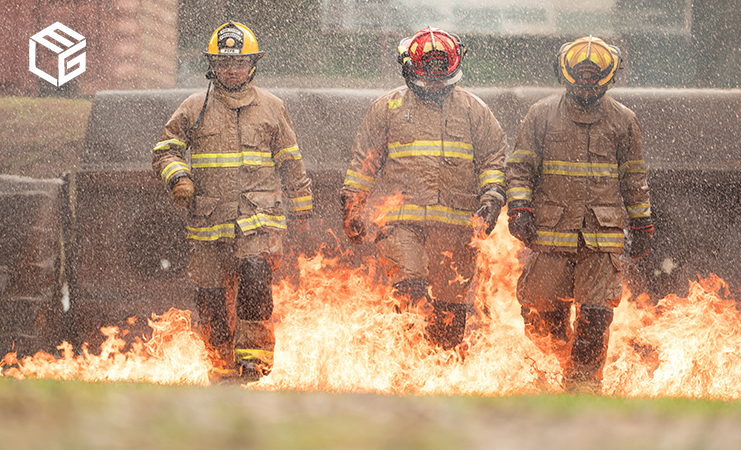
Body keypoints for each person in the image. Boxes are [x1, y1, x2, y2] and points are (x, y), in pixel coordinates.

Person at [152, 22, 313, 380]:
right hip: (208, 222)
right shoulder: (194, 108)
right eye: (224, 63)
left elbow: (291, 162)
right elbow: (165, 150)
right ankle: (221, 363)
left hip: (259, 219)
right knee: (210, 298)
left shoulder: (273, 108)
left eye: (239, 62)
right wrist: (178, 177)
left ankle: (253, 361)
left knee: (255, 280)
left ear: (253, 64)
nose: (232, 70)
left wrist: (301, 211)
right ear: (213, 65)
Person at [340, 26, 507, 351]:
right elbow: (365, 163)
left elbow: (493, 161)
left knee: (449, 315)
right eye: (427, 74)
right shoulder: (387, 109)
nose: (434, 82)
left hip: (457, 229)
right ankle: (409, 366)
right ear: (410, 68)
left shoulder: (474, 111)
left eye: (440, 75)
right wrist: (352, 206)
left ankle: (439, 375)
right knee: (410, 294)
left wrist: (491, 200)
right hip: (401, 226)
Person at [505, 36, 653, 392]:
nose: (586, 79)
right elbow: (520, 168)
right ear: (566, 72)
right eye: (580, 72)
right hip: (550, 235)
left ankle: (583, 385)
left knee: (596, 314)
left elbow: (634, 177)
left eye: (593, 72)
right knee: (541, 314)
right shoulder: (541, 114)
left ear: (607, 75)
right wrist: (519, 206)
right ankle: (559, 365)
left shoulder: (624, 121)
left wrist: (642, 222)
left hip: (602, 239)